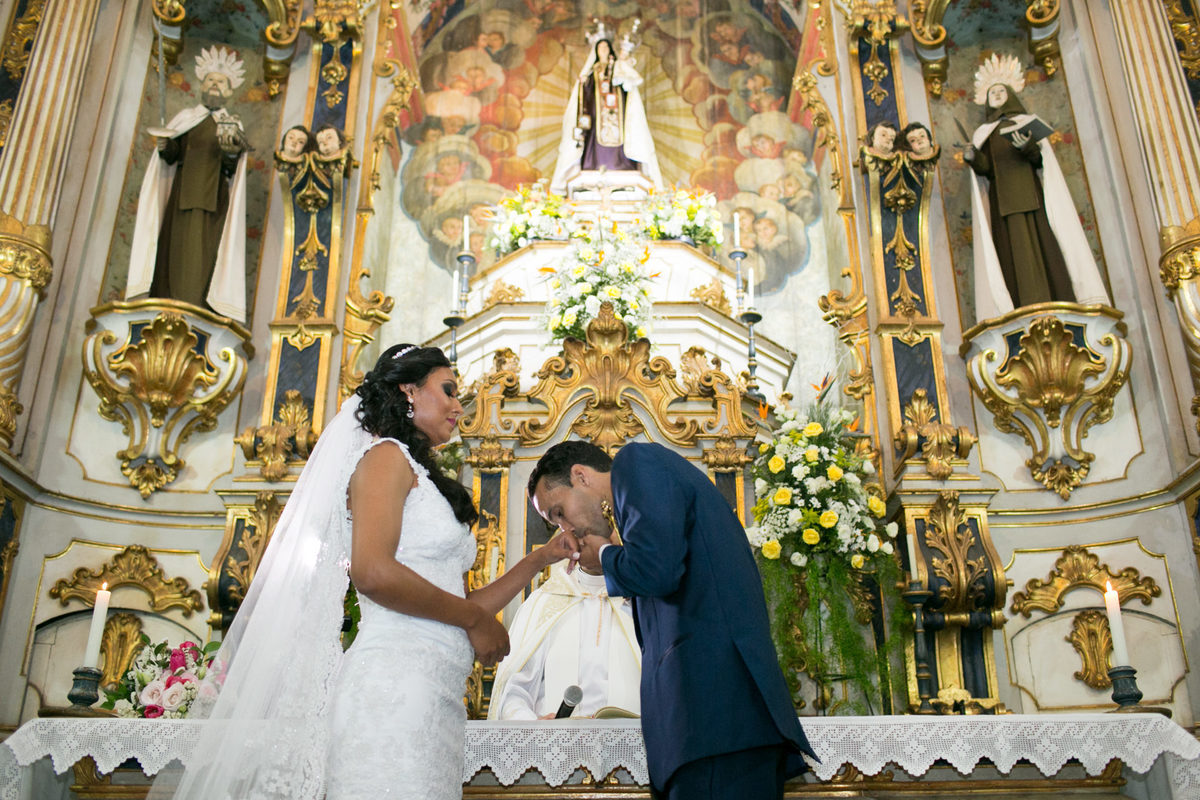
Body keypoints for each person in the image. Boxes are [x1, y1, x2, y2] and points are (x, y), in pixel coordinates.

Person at [154, 345, 576, 799]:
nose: (459, 406)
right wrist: (475, 621)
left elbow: (457, 605)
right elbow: (372, 572)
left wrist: (540, 559)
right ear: (408, 390)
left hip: (434, 694)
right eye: (448, 390)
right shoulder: (384, 457)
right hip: (391, 690)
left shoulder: (418, 472)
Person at [529, 440, 816, 800]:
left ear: (581, 476)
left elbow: (659, 571)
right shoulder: (634, 511)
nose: (564, 530)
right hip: (709, 729)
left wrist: (605, 554)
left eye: (558, 512)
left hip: (714, 721)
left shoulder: (636, 462)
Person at [965, 53, 1108, 318]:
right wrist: (973, 158)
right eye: (992, 92)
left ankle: (1051, 297)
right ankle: (1018, 306)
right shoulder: (983, 133)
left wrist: (1027, 146)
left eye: (1000, 90)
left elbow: (1040, 159)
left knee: (1041, 243)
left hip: (1031, 194)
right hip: (1001, 201)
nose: (996, 94)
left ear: (1010, 93)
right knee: (1009, 250)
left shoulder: (1024, 123)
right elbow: (985, 170)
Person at [127, 46, 249, 322]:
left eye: (221, 82)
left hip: (212, 198)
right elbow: (171, 155)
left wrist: (231, 149)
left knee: (203, 253)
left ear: (229, 91)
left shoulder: (231, 123)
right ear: (201, 84)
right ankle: (166, 304)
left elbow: (233, 165)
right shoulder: (186, 119)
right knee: (172, 247)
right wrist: (165, 145)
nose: (215, 86)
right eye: (211, 80)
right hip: (180, 193)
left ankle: (195, 309)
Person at [488, 543, 641, 720]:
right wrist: (531, 723)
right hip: (556, 743)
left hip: (634, 741)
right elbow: (514, 693)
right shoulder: (544, 603)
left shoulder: (645, 604)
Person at [550, 35, 663, 193]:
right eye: (600, 48)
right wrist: (584, 84)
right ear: (596, 52)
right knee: (595, 137)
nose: (603, 50)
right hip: (597, 116)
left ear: (610, 50)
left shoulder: (617, 68)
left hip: (617, 113)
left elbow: (629, 86)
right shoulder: (591, 73)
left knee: (621, 136)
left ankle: (622, 164)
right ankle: (594, 163)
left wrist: (623, 67)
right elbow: (584, 95)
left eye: (605, 47)